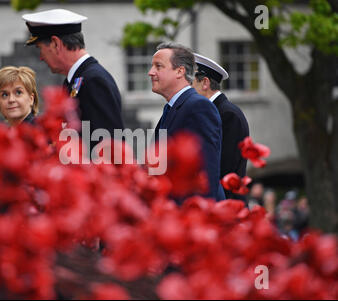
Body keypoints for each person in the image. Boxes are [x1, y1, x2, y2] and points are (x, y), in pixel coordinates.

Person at [22, 8, 124, 142]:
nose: (41, 57)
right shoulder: (78, 78)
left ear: (56, 44)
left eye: (40, 49)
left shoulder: (94, 80)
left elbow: (109, 144)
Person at [149, 42, 225, 201]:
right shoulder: (173, 108)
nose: (151, 72)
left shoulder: (198, 106)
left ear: (179, 71)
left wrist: (198, 216)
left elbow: (206, 172)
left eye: (158, 66)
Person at [192, 53, 250, 201]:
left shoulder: (228, 114)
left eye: (191, 82)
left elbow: (225, 167)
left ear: (205, 83)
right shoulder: (216, 111)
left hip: (227, 205)